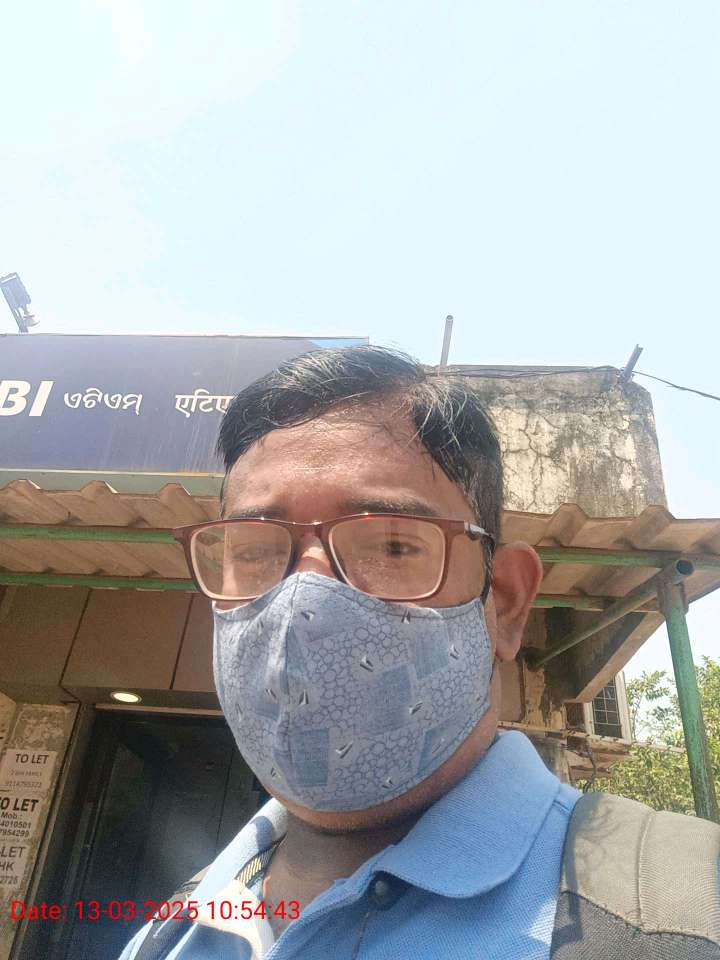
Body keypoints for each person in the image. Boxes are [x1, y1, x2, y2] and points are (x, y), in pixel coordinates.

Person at [120, 345, 719, 960]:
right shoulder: (169, 931)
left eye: (391, 544)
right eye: (253, 550)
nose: (303, 601)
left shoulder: (685, 916)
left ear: (504, 603)